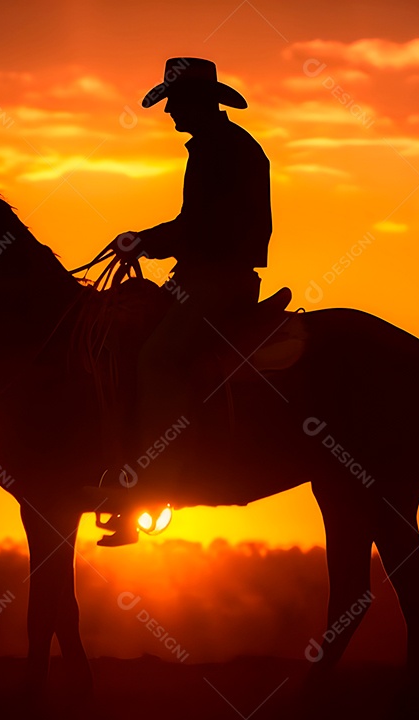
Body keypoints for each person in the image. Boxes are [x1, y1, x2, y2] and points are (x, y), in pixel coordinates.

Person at [97, 57, 272, 546]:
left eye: (174, 103)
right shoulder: (222, 147)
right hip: (201, 276)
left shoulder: (224, 151)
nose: (170, 114)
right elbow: (198, 224)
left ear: (197, 103)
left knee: (156, 358)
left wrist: (144, 241)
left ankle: (153, 485)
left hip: (217, 280)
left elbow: (202, 227)